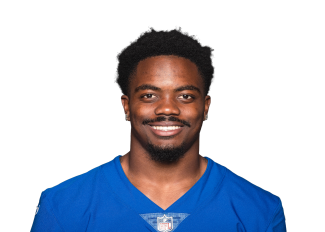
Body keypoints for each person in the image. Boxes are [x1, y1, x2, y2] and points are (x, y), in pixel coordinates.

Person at [30, 27, 287, 231]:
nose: (167, 109)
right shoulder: (62, 204)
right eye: (149, 95)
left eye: (185, 96)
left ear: (206, 107)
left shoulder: (261, 209)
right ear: (126, 106)